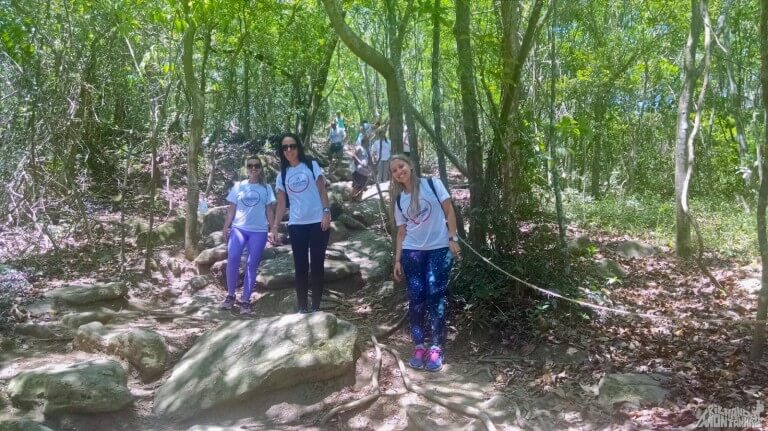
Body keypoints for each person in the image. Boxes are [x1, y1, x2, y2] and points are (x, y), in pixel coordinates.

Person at [389, 154, 460, 372]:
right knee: (416, 298)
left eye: (401, 166)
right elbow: (402, 232)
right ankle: (419, 346)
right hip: (412, 252)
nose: (399, 171)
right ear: (393, 177)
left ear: (410, 165)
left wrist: (452, 238)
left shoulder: (432, 184)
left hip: (438, 248)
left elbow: (449, 210)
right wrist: (397, 259)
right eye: (394, 170)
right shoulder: (400, 199)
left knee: (435, 295)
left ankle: (437, 347)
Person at [270, 133, 332, 313]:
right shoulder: (282, 174)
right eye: (285, 147)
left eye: (292, 146)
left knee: (317, 265)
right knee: (300, 266)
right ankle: (302, 308)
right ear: (282, 151)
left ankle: (315, 307)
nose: (289, 150)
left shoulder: (311, 165)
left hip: (317, 222)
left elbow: (322, 191)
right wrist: (274, 226)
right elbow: (281, 204)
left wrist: (326, 212)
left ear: (298, 147)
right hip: (296, 225)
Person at [220, 155, 276, 315]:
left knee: (252, 265)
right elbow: (231, 209)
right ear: (246, 168)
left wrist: (273, 229)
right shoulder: (238, 186)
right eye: (250, 165)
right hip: (239, 229)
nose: (253, 168)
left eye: (256, 166)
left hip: (259, 231)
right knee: (233, 259)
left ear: (260, 169)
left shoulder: (266, 188)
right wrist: (225, 227)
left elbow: (269, 210)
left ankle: (245, 301)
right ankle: (230, 296)